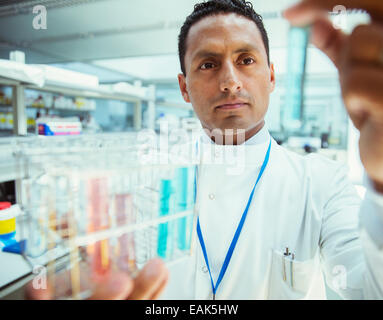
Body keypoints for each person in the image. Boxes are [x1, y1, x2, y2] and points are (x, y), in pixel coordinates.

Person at [28, 0, 383, 299]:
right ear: (184, 87)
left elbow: (367, 288)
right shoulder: (144, 181)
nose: (230, 82)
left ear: (271, 76)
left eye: (246, 60)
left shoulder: (322, 182)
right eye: (208, 64)